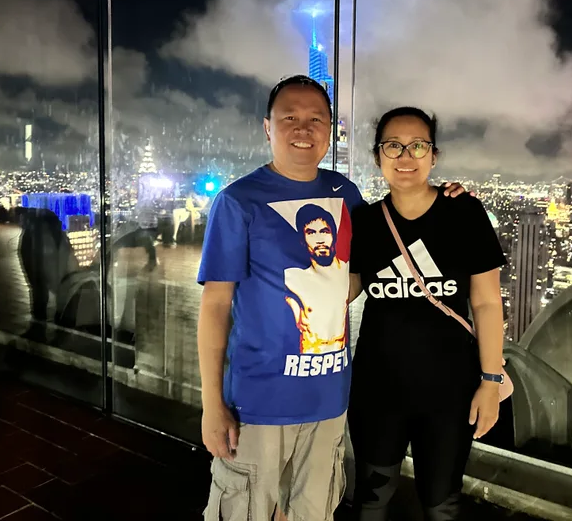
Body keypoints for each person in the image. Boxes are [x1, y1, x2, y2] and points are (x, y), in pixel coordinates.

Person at [196, 76, 470, 521]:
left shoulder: (347, 195)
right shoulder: (237, 201)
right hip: (258, 403)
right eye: (290, 118)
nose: (302, 129)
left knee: (316, 511)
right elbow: (215, 307)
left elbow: (364, 266)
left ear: (330, 131)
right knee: (244, 510)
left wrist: (448, 199)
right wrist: (213, 404)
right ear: (268, 127)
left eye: (315, 119)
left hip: (329, 400)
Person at [347, 107, 507, 521]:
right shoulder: (362, 222)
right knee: (371, 500)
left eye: (417, 146)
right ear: (378, 155)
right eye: (393, 146)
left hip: (449, 392)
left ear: (433, 155)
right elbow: (341, 293)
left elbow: (487, 302)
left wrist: (490, 381)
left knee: (442, 504)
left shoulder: (465, 214)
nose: (406, 156)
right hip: (377, 388)